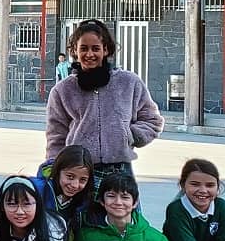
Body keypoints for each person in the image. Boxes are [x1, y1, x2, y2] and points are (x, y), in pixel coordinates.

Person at [45, 19, 163, 197]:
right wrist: (52, 169)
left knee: (122, 215)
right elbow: (56, 135)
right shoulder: (62, 90)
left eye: (95, 48)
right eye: (83, 48)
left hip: (120, 172)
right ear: (75, 51)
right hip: (79, 174)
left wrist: (129, 135)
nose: (89, 54)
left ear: (106, 49)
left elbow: (152, 120)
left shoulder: (129, 82)